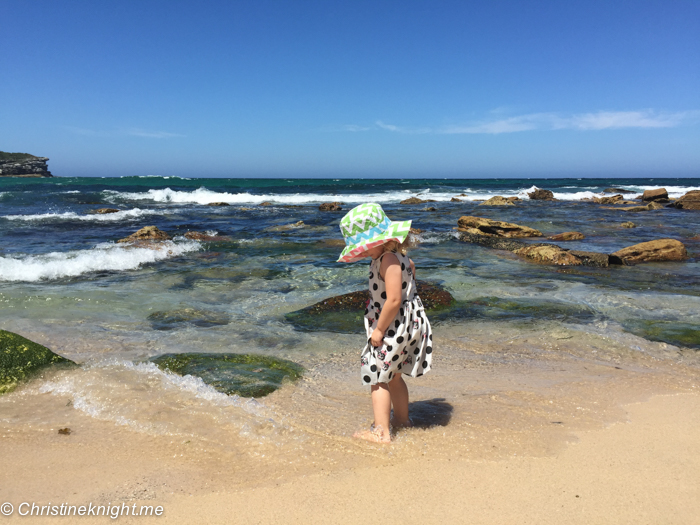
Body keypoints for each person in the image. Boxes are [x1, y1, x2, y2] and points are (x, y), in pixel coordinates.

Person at [337, 203, 433, 443]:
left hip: (392, 323)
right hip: (408, 322)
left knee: (377, 374)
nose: (364, 252)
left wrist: (379, 329)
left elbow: (393, 299)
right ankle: (402, 420)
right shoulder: (402, 258)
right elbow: (410, 283)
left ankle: (380, 431)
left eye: (366, 247)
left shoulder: (387, 259)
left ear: (381, 240)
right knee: (395, 375)